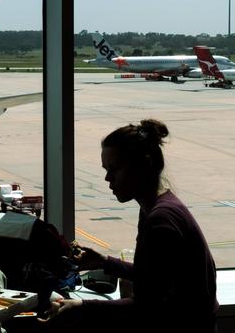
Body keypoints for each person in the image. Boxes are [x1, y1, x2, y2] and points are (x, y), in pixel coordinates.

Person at [43, 119, 218, 333]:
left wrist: (81, 307)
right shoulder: (156, 207)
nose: (108, 178)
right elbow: (154, 277)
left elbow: (148, 306)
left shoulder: (160, 220)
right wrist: (104, 262)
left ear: (144, 165)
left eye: (114, 168)